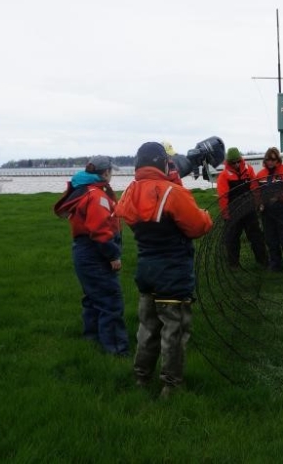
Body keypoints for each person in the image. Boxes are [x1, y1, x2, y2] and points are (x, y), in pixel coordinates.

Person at [114, 141, 213, 398]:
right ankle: (171, 386)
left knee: (147, 329)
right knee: (175, 331)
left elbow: (129, 217)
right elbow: (198, 227)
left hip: (146, 271)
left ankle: (141, 379)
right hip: (174, 272)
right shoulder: (173, 193)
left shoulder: (130, 190)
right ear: (162, 163)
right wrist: (203, 213)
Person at [53, 155, 129, 356]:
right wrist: (113, 255)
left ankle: (92, 341)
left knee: (93, 297)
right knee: (110, 300)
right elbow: (100, 231)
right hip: (94, 252)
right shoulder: (97, 196)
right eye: (111, 171)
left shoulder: (85, 190)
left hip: (84, 251)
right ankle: (116, 350)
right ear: (105, 173)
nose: (112, 175)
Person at [216, 147, 268, 269]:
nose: (236, 164)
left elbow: (254, 188)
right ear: (229, 163)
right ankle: (234, 264)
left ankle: (263, 261)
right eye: (233, 162)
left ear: (241, 159)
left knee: (256, 236)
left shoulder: (248, 170)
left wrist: (257, 203)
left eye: (238, 161)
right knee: (233, 238)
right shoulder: (223, 176)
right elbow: (223, 197)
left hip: (249, 209)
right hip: (233, 212)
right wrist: (226, 215)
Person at [255, 146, 283, 273]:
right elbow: (257, 192)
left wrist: (278, 198)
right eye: (268, 159)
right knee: (271, 240)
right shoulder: (260, 175)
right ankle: (276, 267)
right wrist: (260, 204)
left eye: (273, 159)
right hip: (267, 213)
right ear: (265, 160)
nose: (271, 162)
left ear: (278, 160)